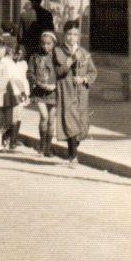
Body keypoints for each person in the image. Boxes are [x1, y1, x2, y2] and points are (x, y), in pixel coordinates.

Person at [54, 23, 97, 168]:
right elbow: (59, 71)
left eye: (75, 34)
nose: (72, 38)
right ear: (64, 35)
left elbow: (93, 72)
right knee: (71, 124)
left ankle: (74, 145)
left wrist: (84, 79)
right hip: (67, 91)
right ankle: (73, 157)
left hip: (82, 94)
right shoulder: (58, 51)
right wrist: (71, 59)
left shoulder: (84, 52)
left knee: (82, 127)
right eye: (69, 34)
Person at [29, 31, 59, 156]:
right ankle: (41, 145)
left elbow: (61, 73)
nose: (46, 46)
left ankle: (48, 147)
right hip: (40, 92)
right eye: (43, 44)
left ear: (53, 44)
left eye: (49, 44)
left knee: (51, 120)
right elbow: (30, 73)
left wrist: (55, 86)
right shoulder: (35, 57)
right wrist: (39, 83)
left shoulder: (57, 58)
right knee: (44, 117)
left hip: (53, 92)